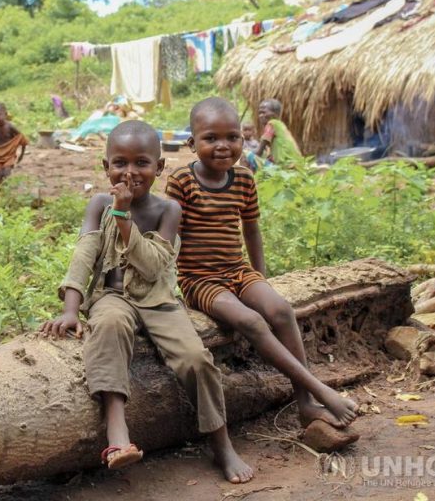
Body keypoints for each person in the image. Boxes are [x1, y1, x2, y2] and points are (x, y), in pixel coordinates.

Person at [39, 120, 254, 484]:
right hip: (112, 296)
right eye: (119, 163)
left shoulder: (168, 210)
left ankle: (221, 443)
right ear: (105, 167)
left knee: (196, 359)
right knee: (107, 326)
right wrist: (71, 310)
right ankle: (117, 433)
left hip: (158, 301)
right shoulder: (97, 203)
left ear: (159, 167)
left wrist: (123, 217)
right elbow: (83, 255)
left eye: (141, 162)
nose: (130, 172)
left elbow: (153, 266)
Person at [166, 97, 358, 441]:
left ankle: (305, 404)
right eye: (211, 138)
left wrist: (261, 278)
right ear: (192, 143)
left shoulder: (243, 178)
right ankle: (319, 389)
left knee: (281, 310)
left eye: (233, 137)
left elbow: (251, 229)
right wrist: (168, 290)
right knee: (252, 321)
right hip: (200, 279)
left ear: (243, 140)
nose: (223, 146)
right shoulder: (181, 180)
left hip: (238, 271)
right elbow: (169, 238)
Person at [0, 102, 28, 185]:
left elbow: (22, 139)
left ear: (5, 114)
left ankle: (7, 191)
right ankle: (1, 192)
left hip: (9, 154)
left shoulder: (10, 127)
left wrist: (21, 155)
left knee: (6, 173)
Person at [255, 98, 305, 167]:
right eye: (259, 113)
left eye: (264, 112)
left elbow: (259, 151)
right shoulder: (281, 125)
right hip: (297, 163)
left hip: (287, 165)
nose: (260, 115)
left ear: (275, 114)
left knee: (248, 155)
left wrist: (249, 155)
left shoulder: (271, 124)